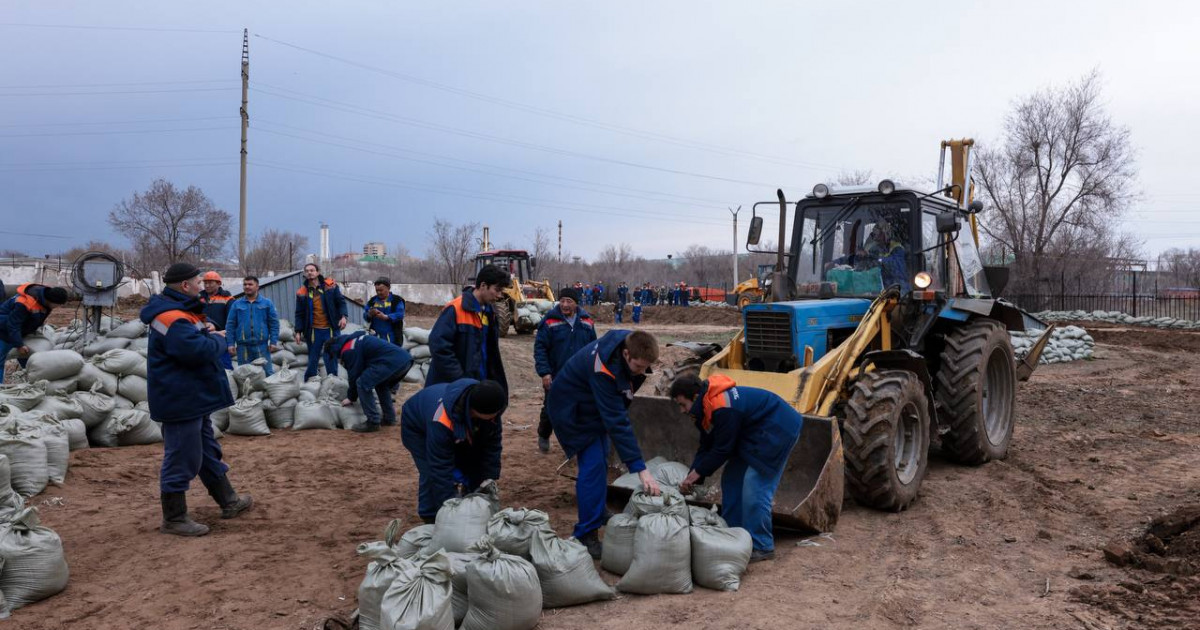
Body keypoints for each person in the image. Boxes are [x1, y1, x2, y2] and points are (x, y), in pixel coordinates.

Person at [139, 262, 252, 537]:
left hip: (191, 396)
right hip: (180, 398)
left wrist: (205, 329)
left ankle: (229, 500)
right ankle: (174, 518)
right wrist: (219, 340)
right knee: (182, 456)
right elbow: (196, 352)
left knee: (205, 451)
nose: (203, 287)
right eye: (199, 283)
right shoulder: (172, 318)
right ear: (186, 286)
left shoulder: (178, 313)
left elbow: (193, 340)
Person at [548, 329, 662, 558]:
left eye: (645, 368)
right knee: (592, 468)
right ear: (626, 354)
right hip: (573, 412)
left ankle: (598, 511)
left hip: (592, 406)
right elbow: (617, 421)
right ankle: (586, 534)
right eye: (638, 367)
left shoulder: (629, 343)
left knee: (600, 457)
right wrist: (640, 469)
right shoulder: (604, 369)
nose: (641, 372)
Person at [668, 373, 803, 562]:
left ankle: (762, 545)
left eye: (683, 404)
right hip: (753, 431)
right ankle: (732, 533)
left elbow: (722, 449)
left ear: (696, 397)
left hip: (777, 429)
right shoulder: (703, 408)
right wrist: (693, 475)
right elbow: (707, 445)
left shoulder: (723, 407)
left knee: (754, 487)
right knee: (731, 479)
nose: (682, 410)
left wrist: (696, 475)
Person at [401, 378, 507, 523]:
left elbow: (491, 447)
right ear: (474, 411)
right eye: (492, 416)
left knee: (470, 461)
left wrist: (487, 480)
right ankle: (430, 515)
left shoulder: (492, 410)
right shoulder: (441, 419)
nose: (496, 418)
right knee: (429, 470)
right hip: (417, 428)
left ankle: (470, 500)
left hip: (450, 421)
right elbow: (439, 467)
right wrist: (449, 508)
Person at [533, 287, 596, 454]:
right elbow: (540, 348)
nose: (565, 304)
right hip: (556, 374)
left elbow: (593, 348)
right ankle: (544, 434)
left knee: (579, 410)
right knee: (551, 408)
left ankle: (574, 443)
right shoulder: (549, 321)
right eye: (562, 301)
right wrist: (545, 372)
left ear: (576, 303)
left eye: (569, 301)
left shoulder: (587, 322)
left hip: (580, 376)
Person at [427, 263, 509, 389]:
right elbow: (439, 347)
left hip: (478, 384)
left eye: (501, 291)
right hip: (453, 387)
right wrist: (460, 379)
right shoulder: (455, 308)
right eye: (497, 290)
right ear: (483, 285)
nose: (499, 296)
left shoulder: (490, 313)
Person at [327, 330, 415, 433]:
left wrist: (351, 398)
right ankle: (389, 418)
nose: (337, 358)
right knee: (381, 385)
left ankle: (373, 422)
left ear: (334, 349)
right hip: (404, 361)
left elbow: (354, 375)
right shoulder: (354, 342)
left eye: (334, 356)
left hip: (392, 362)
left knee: (362, 383)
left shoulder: (348, 349)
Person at [0, 283, 68, 382]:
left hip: (21, 330)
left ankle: (30, 381)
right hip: (3, 329)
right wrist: (19, 345)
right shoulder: (24, 303)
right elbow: (13, 325)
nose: (58, 307)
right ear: (52, 301)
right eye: (58, 304)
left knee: (28, 357)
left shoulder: (45, 300)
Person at [294, 262, 348, 380]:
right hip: (313, 331)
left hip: (330, 329)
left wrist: (344, 316)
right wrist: (298, 331)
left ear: (317, 272)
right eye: (307, 271)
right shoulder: (302, 292)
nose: (309, 272)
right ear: (305, 274)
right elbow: (299, 313)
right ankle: (310, 380)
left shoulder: (330, 286)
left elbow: (341, 302)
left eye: (312, 270)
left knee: (331, 355)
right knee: (313, 357)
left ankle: (332, 380)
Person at [225, 276, 280, 376]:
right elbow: (230, 325)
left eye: (250, 284)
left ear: (257, 286)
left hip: (262, 346)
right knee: (245, 376)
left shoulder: (267, 303)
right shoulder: (237, 304)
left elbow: (274, 324)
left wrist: (273, 341)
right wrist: (230, 343)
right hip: (243, 348)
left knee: (267, 374)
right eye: (245, 284)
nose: (247, 287)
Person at [830, 222, 909, 291]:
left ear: (886, 234)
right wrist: (835, 262)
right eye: (874, 234)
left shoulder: (897, 249)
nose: (875, 238)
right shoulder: (873, 247)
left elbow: (896, 267)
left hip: (896, 287)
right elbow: (855, 258)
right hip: (875, 289)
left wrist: (874, 258)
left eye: (879, 234)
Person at [199, 271, 234, 369]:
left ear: (218, 283)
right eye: (205, 283)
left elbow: (232, 320)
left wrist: (227, 334)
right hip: (203, 337)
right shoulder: (198, 298)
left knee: (224, 366)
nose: (207, 285)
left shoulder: (227, 298)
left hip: (222, 337)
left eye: (210, 283)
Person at [365, 277, 406, 345]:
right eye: (377, 290)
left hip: (392, 337)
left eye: (381, 290)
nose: (379, 292)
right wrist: (369, 314)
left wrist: (386, 317)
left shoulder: (396, 300)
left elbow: (400, 314)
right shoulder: (372, 301)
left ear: (388, 288)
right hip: (375, 336)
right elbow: (365, 315)